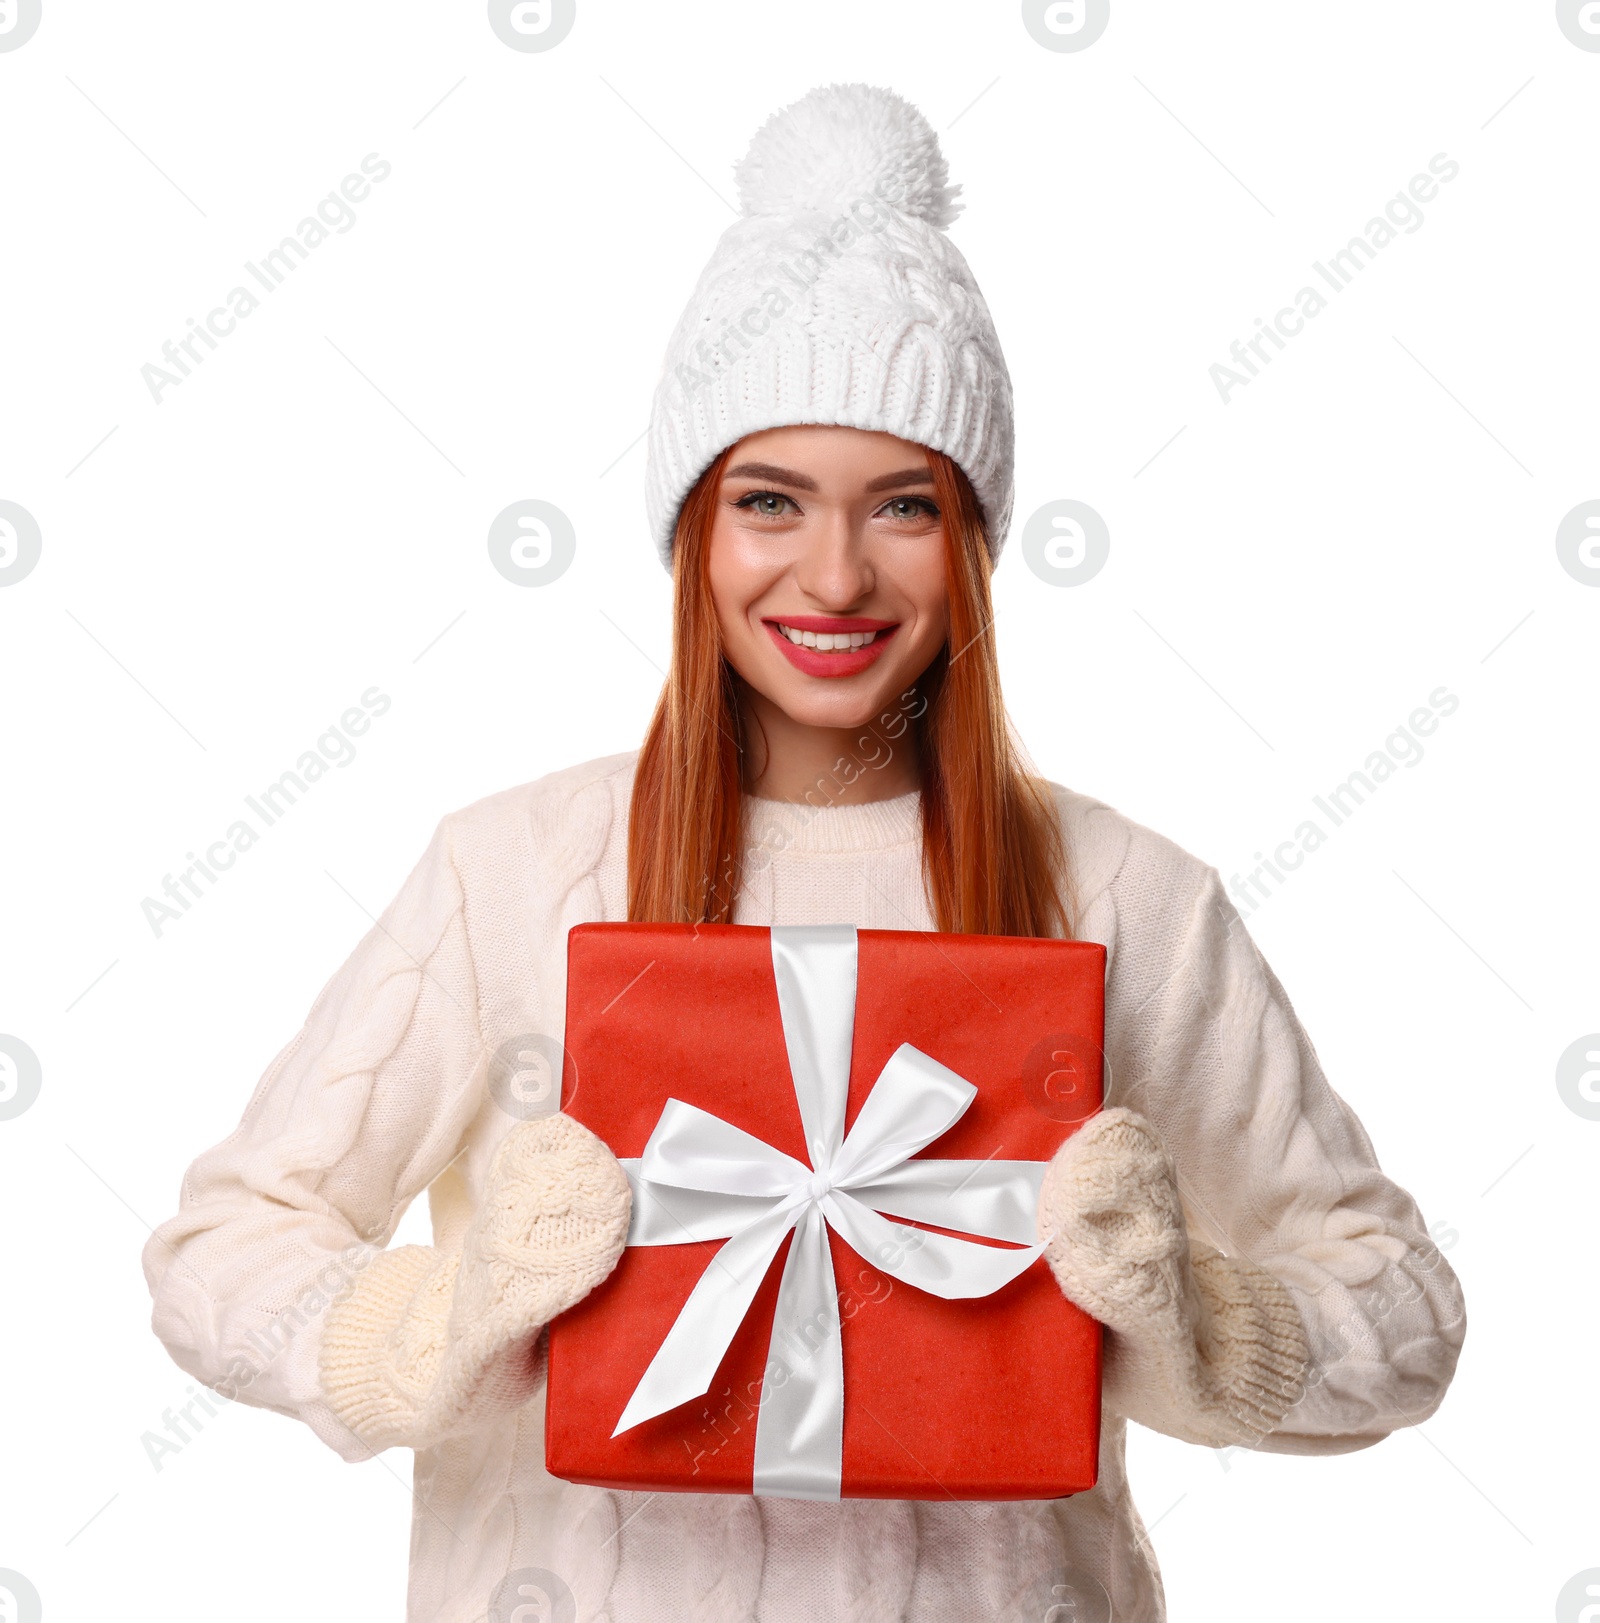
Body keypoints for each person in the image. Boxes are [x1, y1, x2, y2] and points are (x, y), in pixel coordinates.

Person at [142, 82, 1467, 1623]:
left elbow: (1409, 1315)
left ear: (970, 539)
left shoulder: (1134, 898)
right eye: (770, 501)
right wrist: (453, 1320)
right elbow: (218, 1254)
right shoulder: (505, 871)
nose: (833, 573)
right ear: (696, 527)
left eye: (902, 505)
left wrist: (1190, 1314)